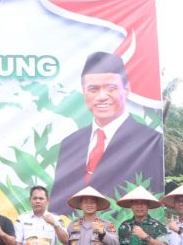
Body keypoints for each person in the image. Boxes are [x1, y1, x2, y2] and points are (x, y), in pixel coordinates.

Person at [50, 51, 164, 216]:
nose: (102, 97)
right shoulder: (70, 143)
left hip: (123, 236)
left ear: (127, 90)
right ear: (84, 92)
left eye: (111, 88)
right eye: (93, 89)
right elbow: (58, 205)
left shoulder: (149, 141)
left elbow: (153, 199)